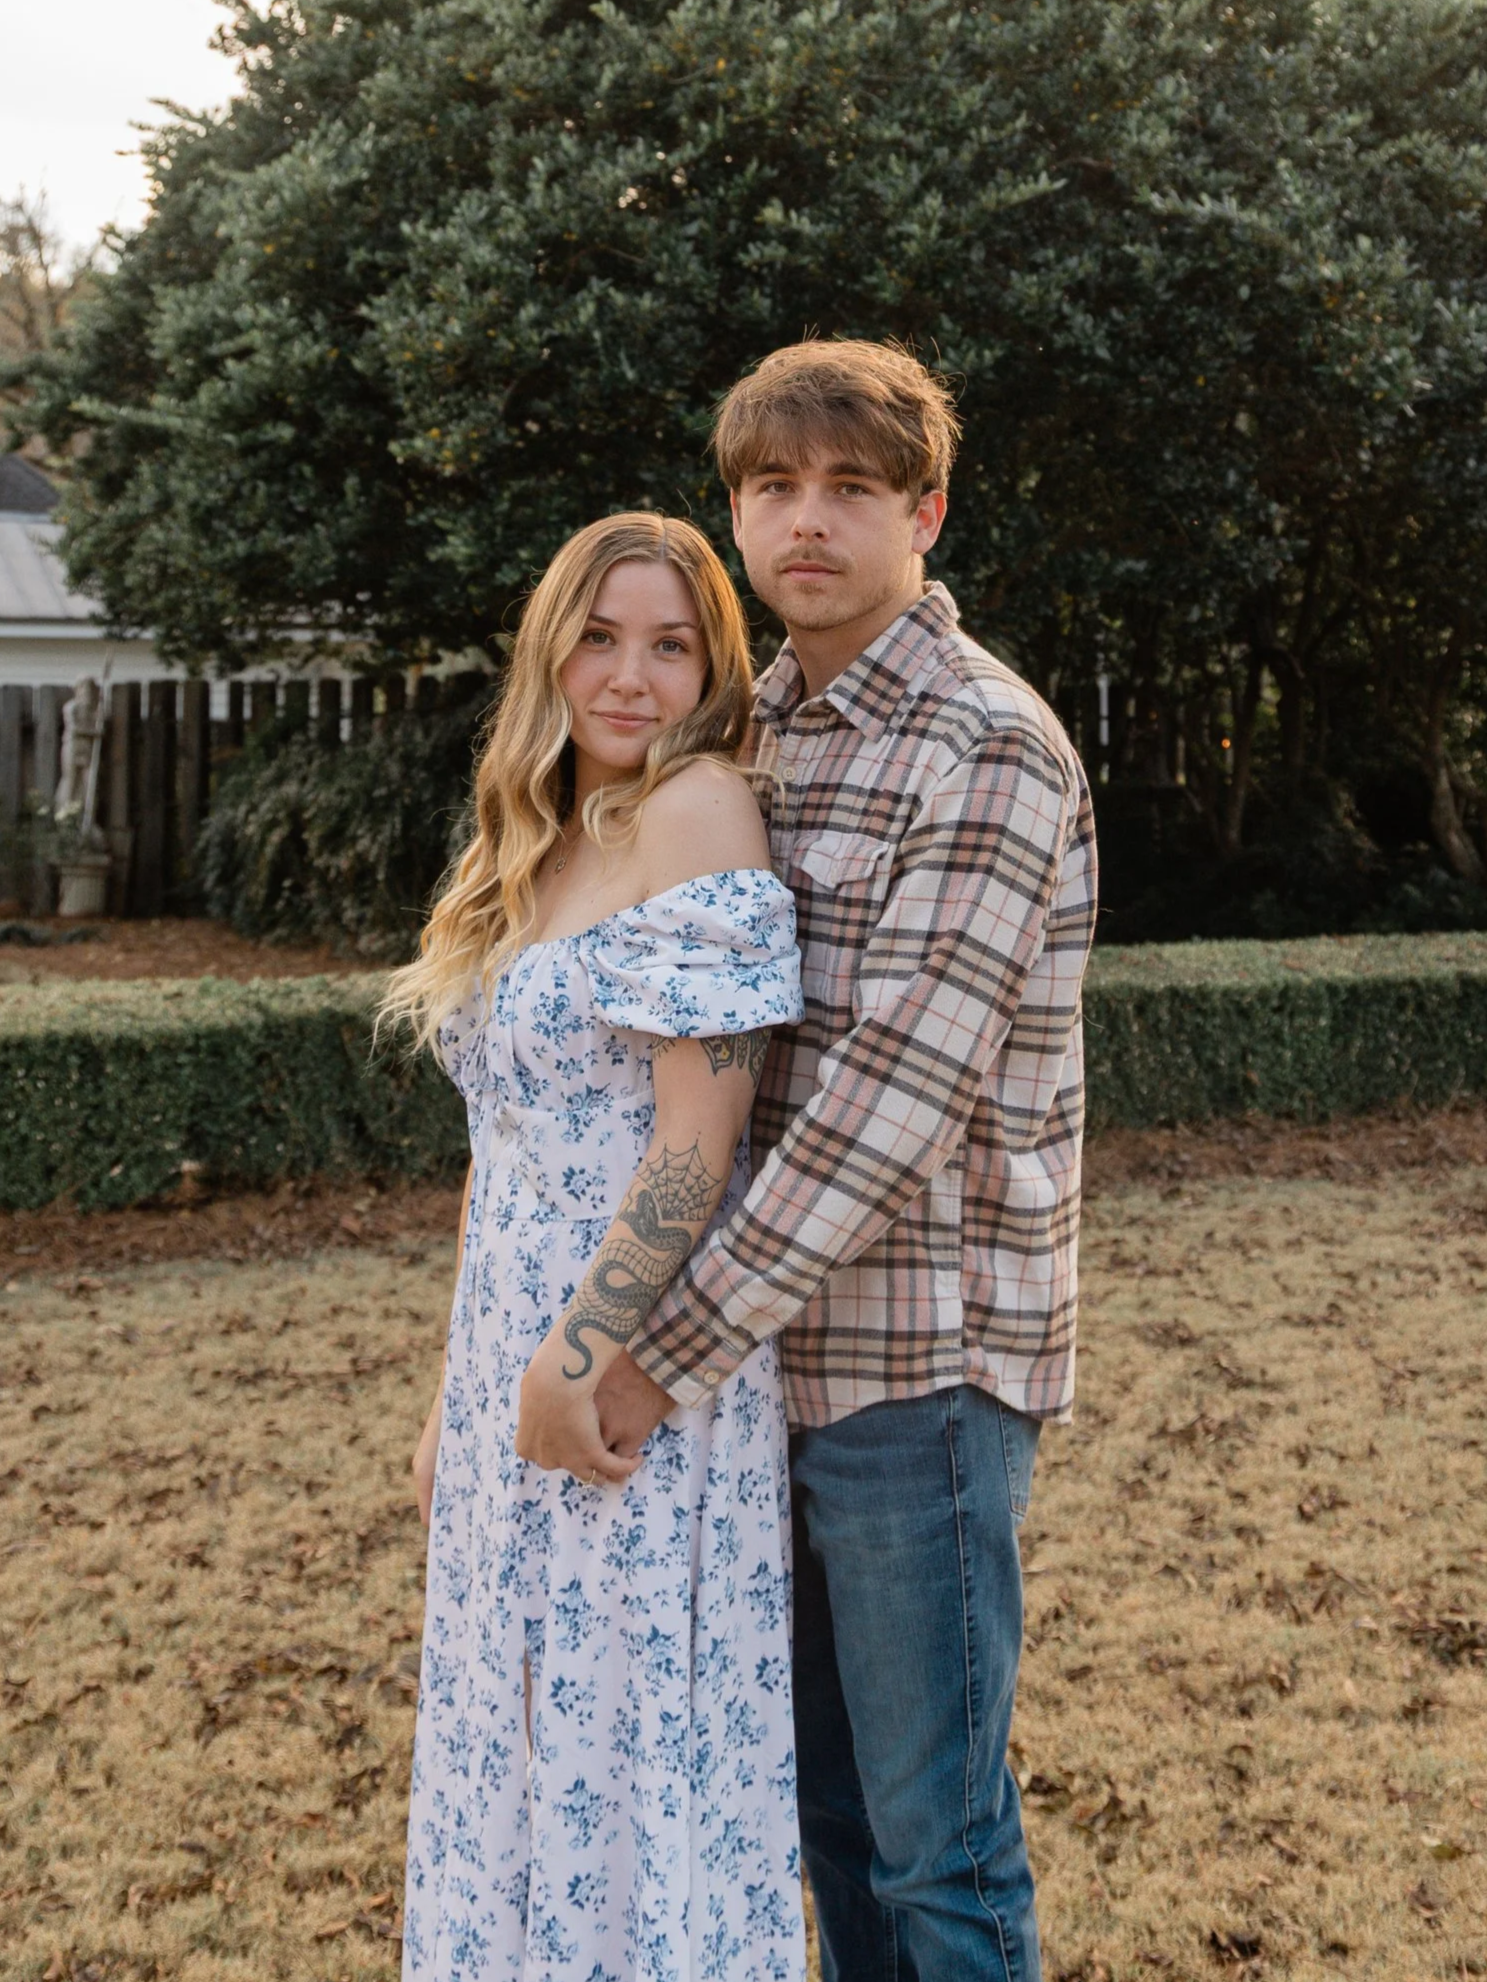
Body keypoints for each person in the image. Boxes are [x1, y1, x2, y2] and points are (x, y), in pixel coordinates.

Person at [588, 342, 1099, 1982]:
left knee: (935, 1843)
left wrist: (655, 1350)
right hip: (767, 1374)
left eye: (850, 491)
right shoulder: (762, 728)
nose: (803, 522)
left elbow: (887, 1102)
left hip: (917, 1373)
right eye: (769, 488)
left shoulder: (982, 744)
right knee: (816, 1815)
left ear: (924, 512)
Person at [383, 513, 807, 1982]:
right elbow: (496, 1151)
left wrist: (579, 1353)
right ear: (551, 647)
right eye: (601, 636)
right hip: (511, 1365)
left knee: (627, 1747)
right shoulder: (536, 837)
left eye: (670, 643)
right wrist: (461, 1389)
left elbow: (702, 1136)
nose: (629, 676)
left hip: (624, 1373)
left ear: (710, 667)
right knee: (520, 1746)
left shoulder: (696, 813)